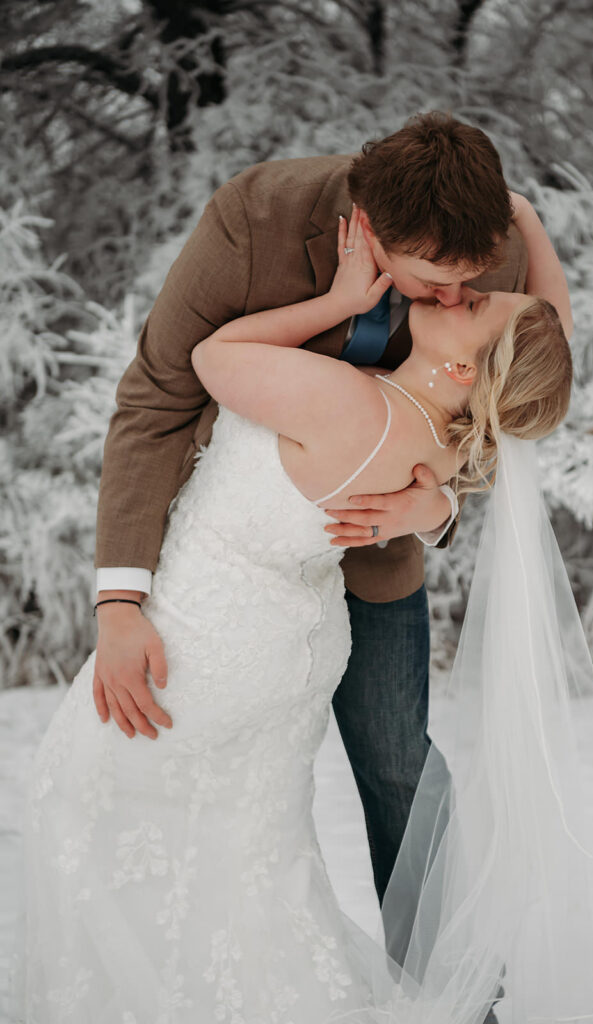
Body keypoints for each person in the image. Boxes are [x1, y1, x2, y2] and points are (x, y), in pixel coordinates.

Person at [9, 183, 578, 1022]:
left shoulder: (352, 400)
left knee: (90, 812)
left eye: (476, 297)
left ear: (466, 365)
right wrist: (526, 216)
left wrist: (340, 301)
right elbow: (548, 334)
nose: (459, 291)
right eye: (453, 279)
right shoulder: (446, 428)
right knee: (250, 851)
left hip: (223, 632)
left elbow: (211, 361)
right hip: (298, 641)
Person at [91, 113, 532, 922]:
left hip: (372, 563)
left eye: (468, 282)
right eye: (432, 280)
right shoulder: (254, 216)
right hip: (228, 576)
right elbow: (157, 395)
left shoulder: (481, 246)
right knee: (196, 791)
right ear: (368, 226)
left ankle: (451, 1002)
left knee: (400, 769)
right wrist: (120, 599)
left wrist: (434, 505)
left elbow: (513, 406)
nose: (455, 297)